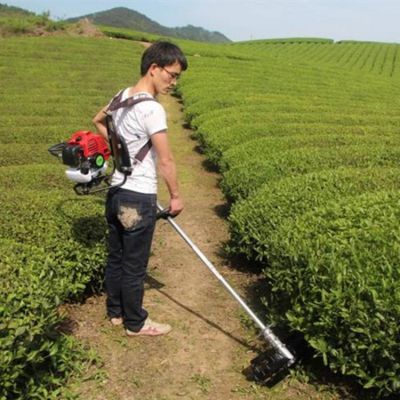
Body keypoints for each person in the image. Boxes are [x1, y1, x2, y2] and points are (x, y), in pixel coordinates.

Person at [92, 41, 188, 336]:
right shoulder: (152, 109)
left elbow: (97, 120)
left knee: (117, 256)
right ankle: (136, 323)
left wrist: (121, 150)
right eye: (171, 75)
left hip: (116, 192)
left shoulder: (122, 96)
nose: (173, 82)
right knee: (135, 265)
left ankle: (116, 312)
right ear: (154, 68)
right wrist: (175, 196)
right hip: (138, 197)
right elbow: (166, 160)